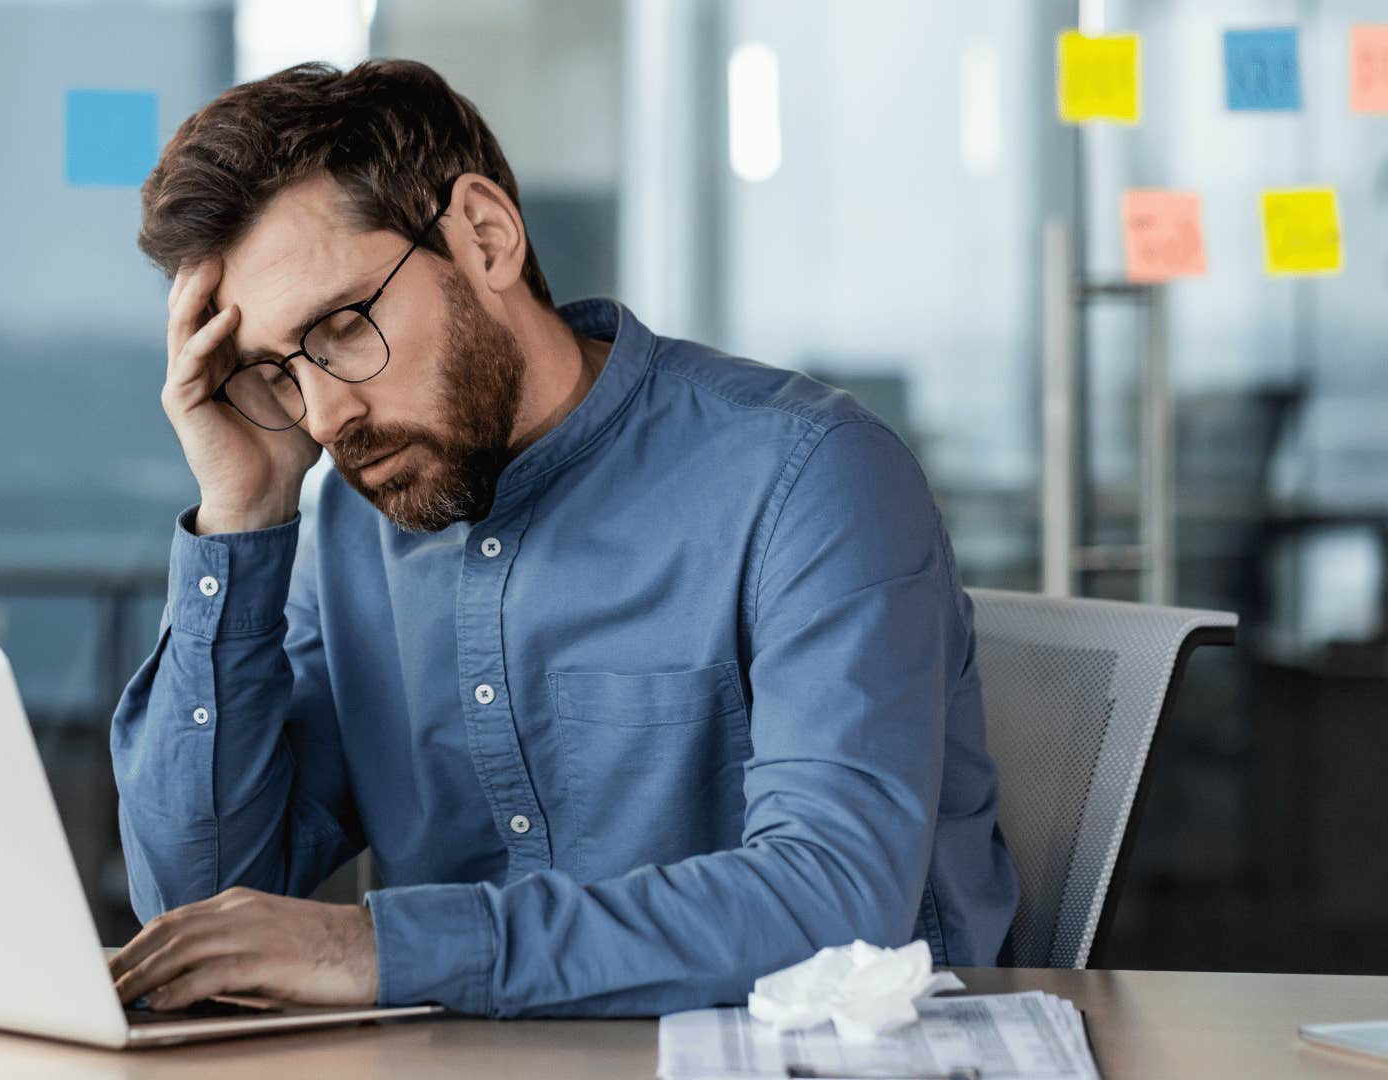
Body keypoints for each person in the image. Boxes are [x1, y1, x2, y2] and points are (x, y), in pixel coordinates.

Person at [106, 58, 1017, 1019]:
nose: (325, 414)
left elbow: (833, 902)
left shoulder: (808, 475)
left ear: (486, 238)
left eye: (341, 326)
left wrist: (385, 948)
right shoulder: (347, 527)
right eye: (276, 372)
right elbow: (195, 905)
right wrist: (242, 516)